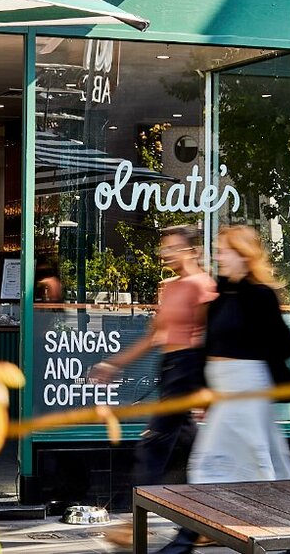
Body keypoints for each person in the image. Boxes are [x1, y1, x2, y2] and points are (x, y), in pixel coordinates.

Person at [158, 226, 290, 554]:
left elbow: (286, 344)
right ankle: (190, 541)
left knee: (260, 469)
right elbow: (207, 346)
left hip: (248, 392)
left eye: (224, 250)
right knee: (216, 466)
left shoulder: (260, 295)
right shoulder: (219, 292)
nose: (218, 256)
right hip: (224, 394)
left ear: (243, 256)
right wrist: (203, 387)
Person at [89, 225, 217, 548]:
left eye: (173, 247)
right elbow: (154, 337)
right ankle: (204, 523)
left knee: (153, 446)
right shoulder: (169, 287)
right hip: (172, 369)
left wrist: (205, 388)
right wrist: (113, 364)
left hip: (188, 371)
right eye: (164, 247)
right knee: (189, 450)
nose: (165, 253)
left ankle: (135, 525)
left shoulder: (203, 287)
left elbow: (208, 339)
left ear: (192, 251)